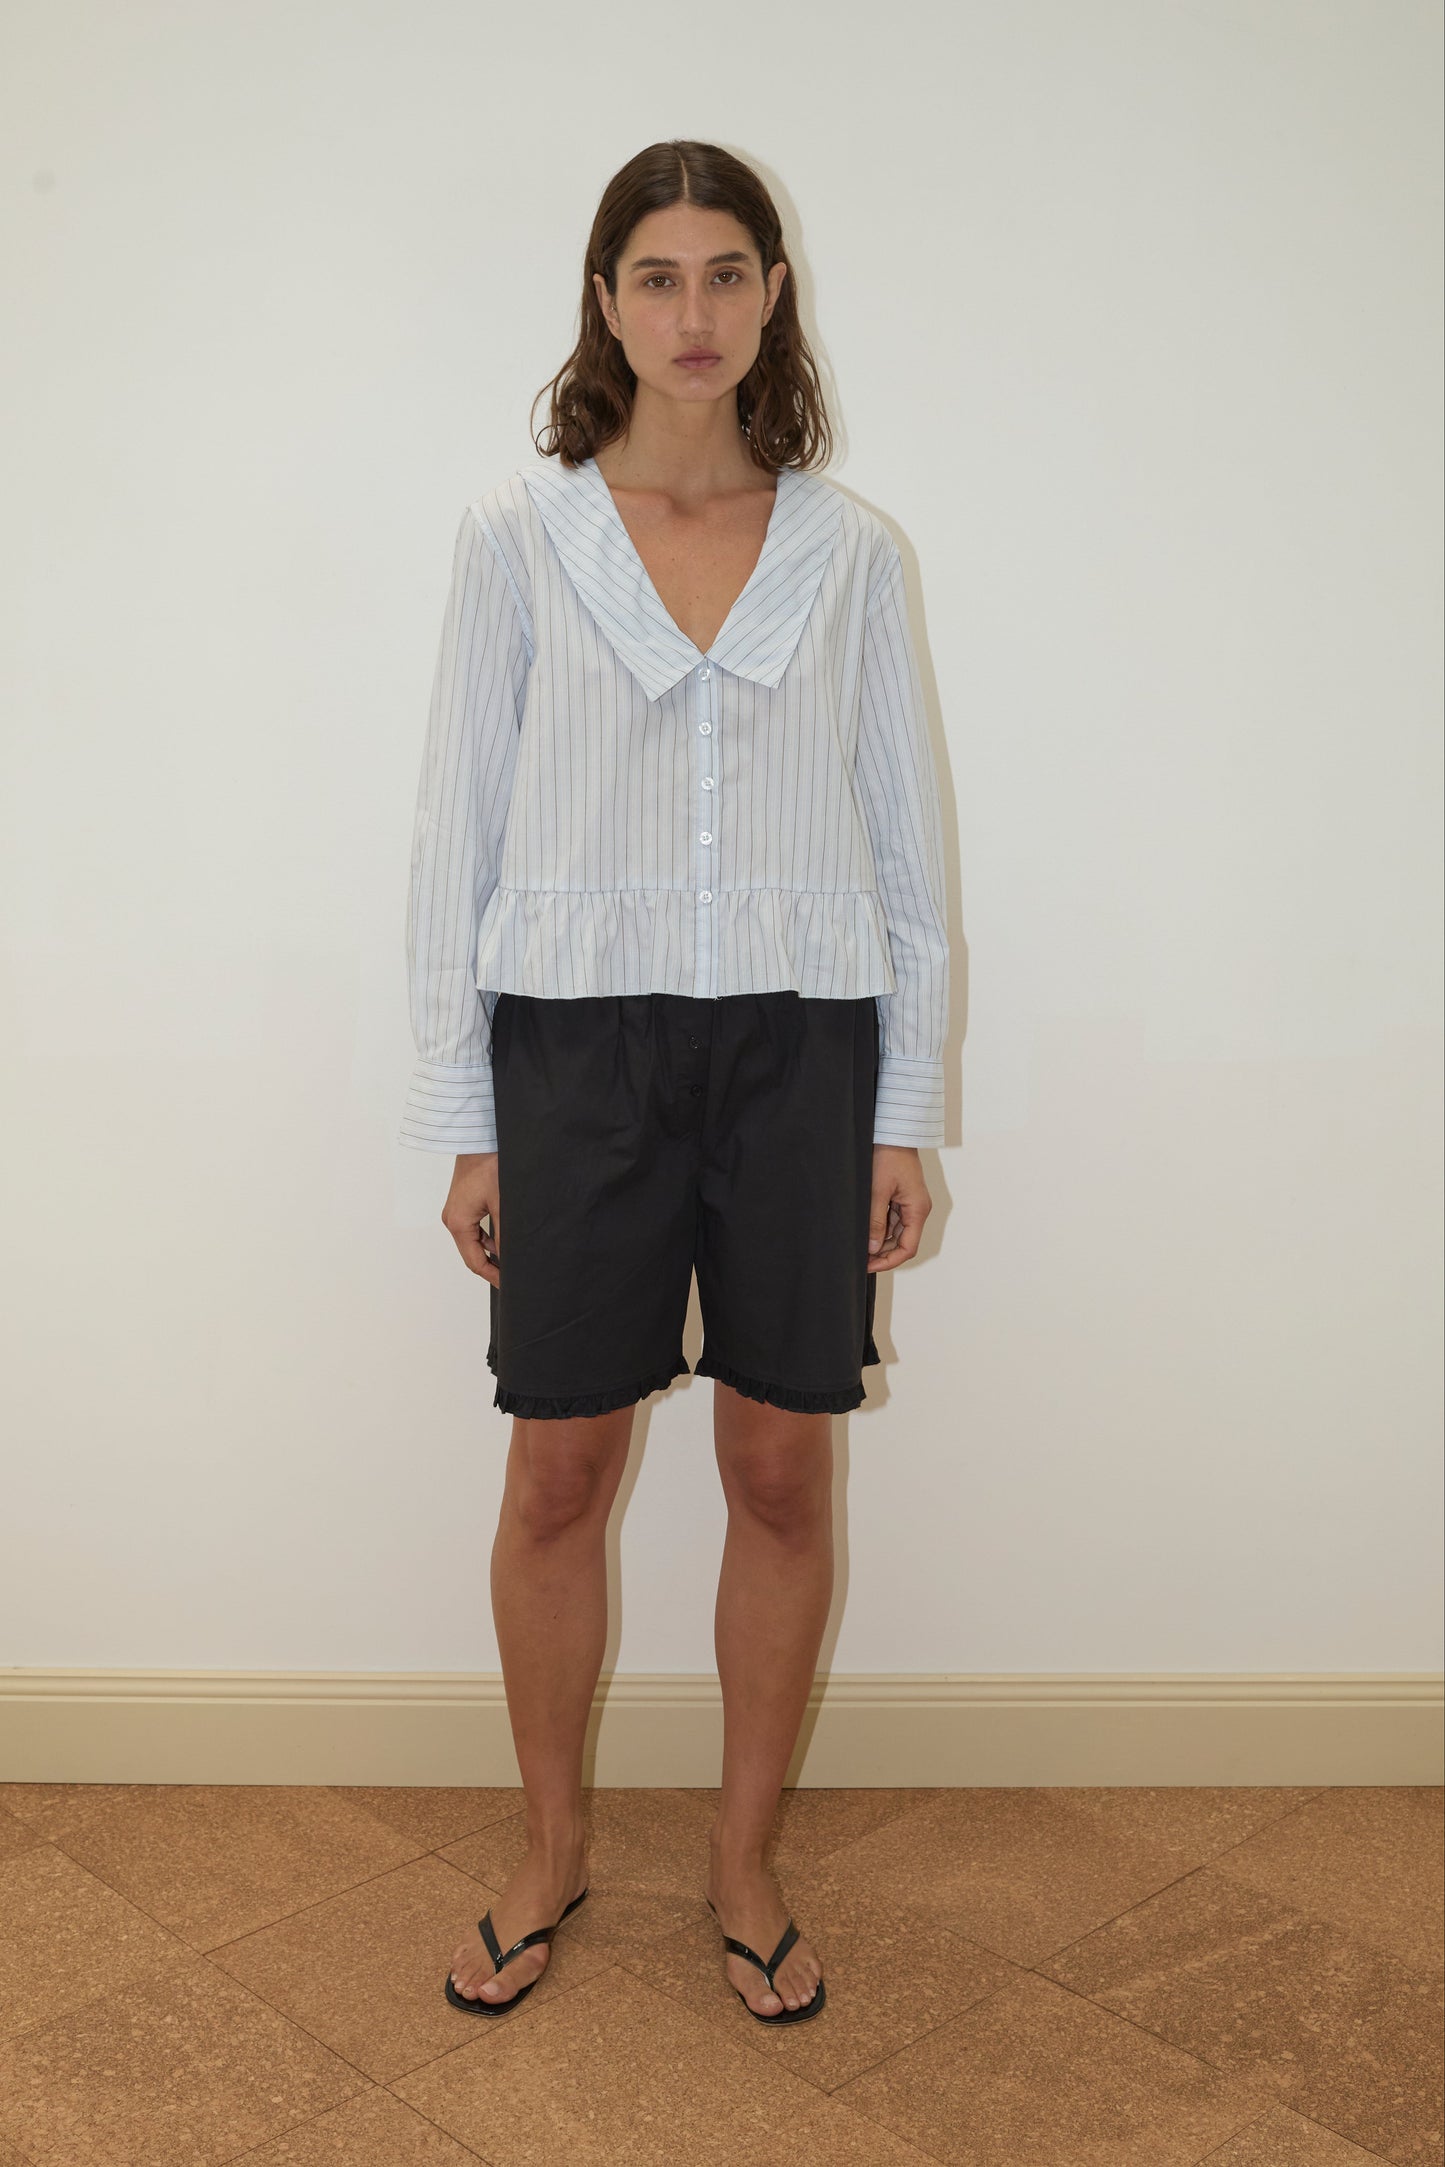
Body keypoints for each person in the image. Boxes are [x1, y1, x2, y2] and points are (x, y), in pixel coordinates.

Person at [399, 139, 949, 2025]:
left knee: (779, 1461)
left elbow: (905, 848)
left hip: (802, 1046)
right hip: (575, 1049)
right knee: (560, 1462)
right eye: (657, 275)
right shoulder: (517, 539)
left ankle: (741, 1860)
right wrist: (463, 1119)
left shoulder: (849, 552)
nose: (693, 313)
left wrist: (901, 1105)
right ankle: (549, 1846)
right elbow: (455, 836)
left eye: (726, 274)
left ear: (772, 295)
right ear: (605, 301)